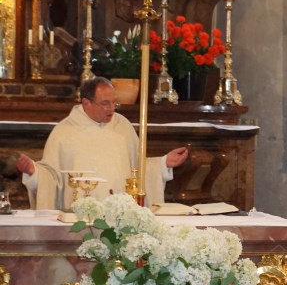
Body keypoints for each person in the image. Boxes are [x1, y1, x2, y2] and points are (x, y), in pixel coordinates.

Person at [16, 77, 189, 210]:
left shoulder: (122, 126)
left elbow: (136, 169)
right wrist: (34, 172)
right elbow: (52, 178)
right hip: (81, 218)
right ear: (86, 103)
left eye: (114, 102)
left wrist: (163, 163)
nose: (111, 108)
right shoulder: (64, 132)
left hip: (120, 215)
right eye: (105, 103)